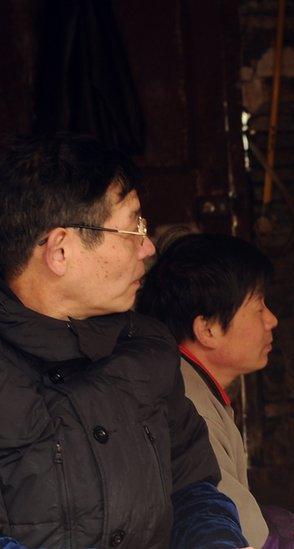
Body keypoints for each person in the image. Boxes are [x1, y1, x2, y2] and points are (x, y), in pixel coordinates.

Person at [0, 133, 250, 548]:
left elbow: (192, 488)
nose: (148, 247)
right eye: (134, 227)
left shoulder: (147, 346)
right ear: (60, 250)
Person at [136, 233, 294, 549]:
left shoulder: (193, 384)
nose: (272, 319)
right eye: (258, 308)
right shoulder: (188, 404)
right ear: (207, 329)